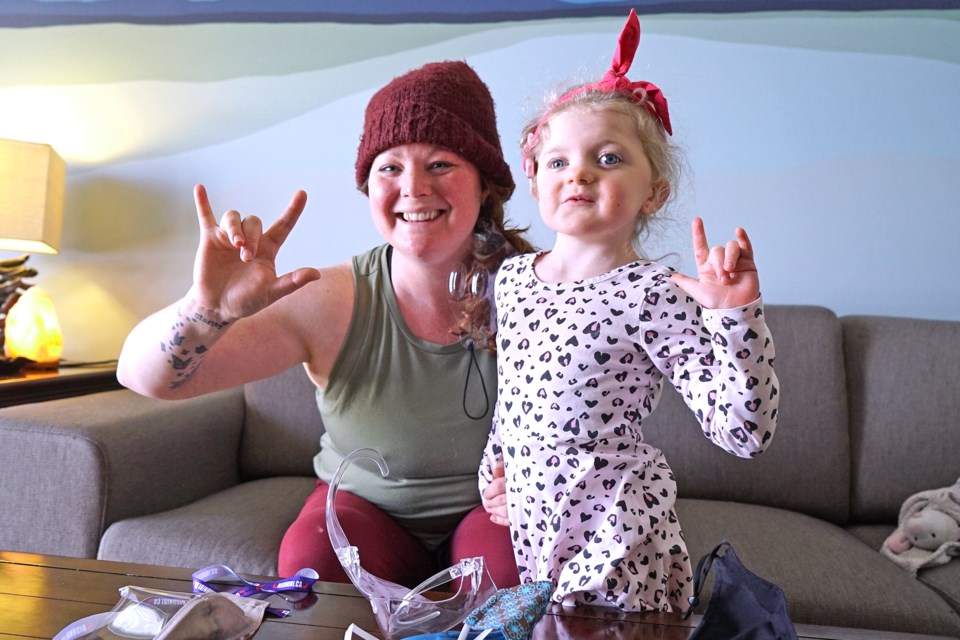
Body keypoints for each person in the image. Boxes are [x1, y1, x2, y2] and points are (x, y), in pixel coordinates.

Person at [117, 60, 533, 589]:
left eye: (440, 164)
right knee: (313, 558)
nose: (413, 188)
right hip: (366, 512)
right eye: (390, 168)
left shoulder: (540, 290)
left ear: (486, 183)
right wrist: (207, 309)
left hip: (493, 511)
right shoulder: (330, 297)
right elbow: (144, 379)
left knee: (514, 563)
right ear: (368, 185)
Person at [478, 9, 780, 612]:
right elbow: (514, 394)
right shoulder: (511, 279)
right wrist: (495, 469)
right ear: (535, 181)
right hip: (537, 536)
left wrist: (736, 316)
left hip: (619, 542)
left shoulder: (651, 292)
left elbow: (745, 432)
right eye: (558, 161)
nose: (580, 173)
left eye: (609, 158)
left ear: (655, 192)